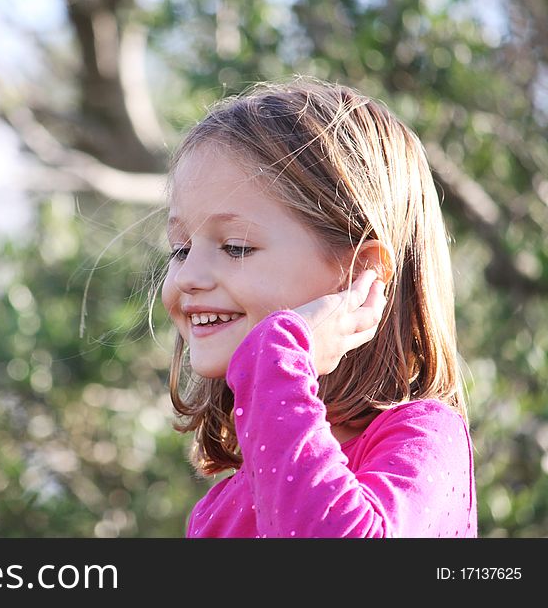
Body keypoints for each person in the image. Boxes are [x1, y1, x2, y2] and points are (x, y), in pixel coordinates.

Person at [159, 78, 477, 537]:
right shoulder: (216, 512)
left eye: (235, 246)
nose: (188, 276)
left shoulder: (424, 441)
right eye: (180, 249)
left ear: (360, 273)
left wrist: (278, 356)